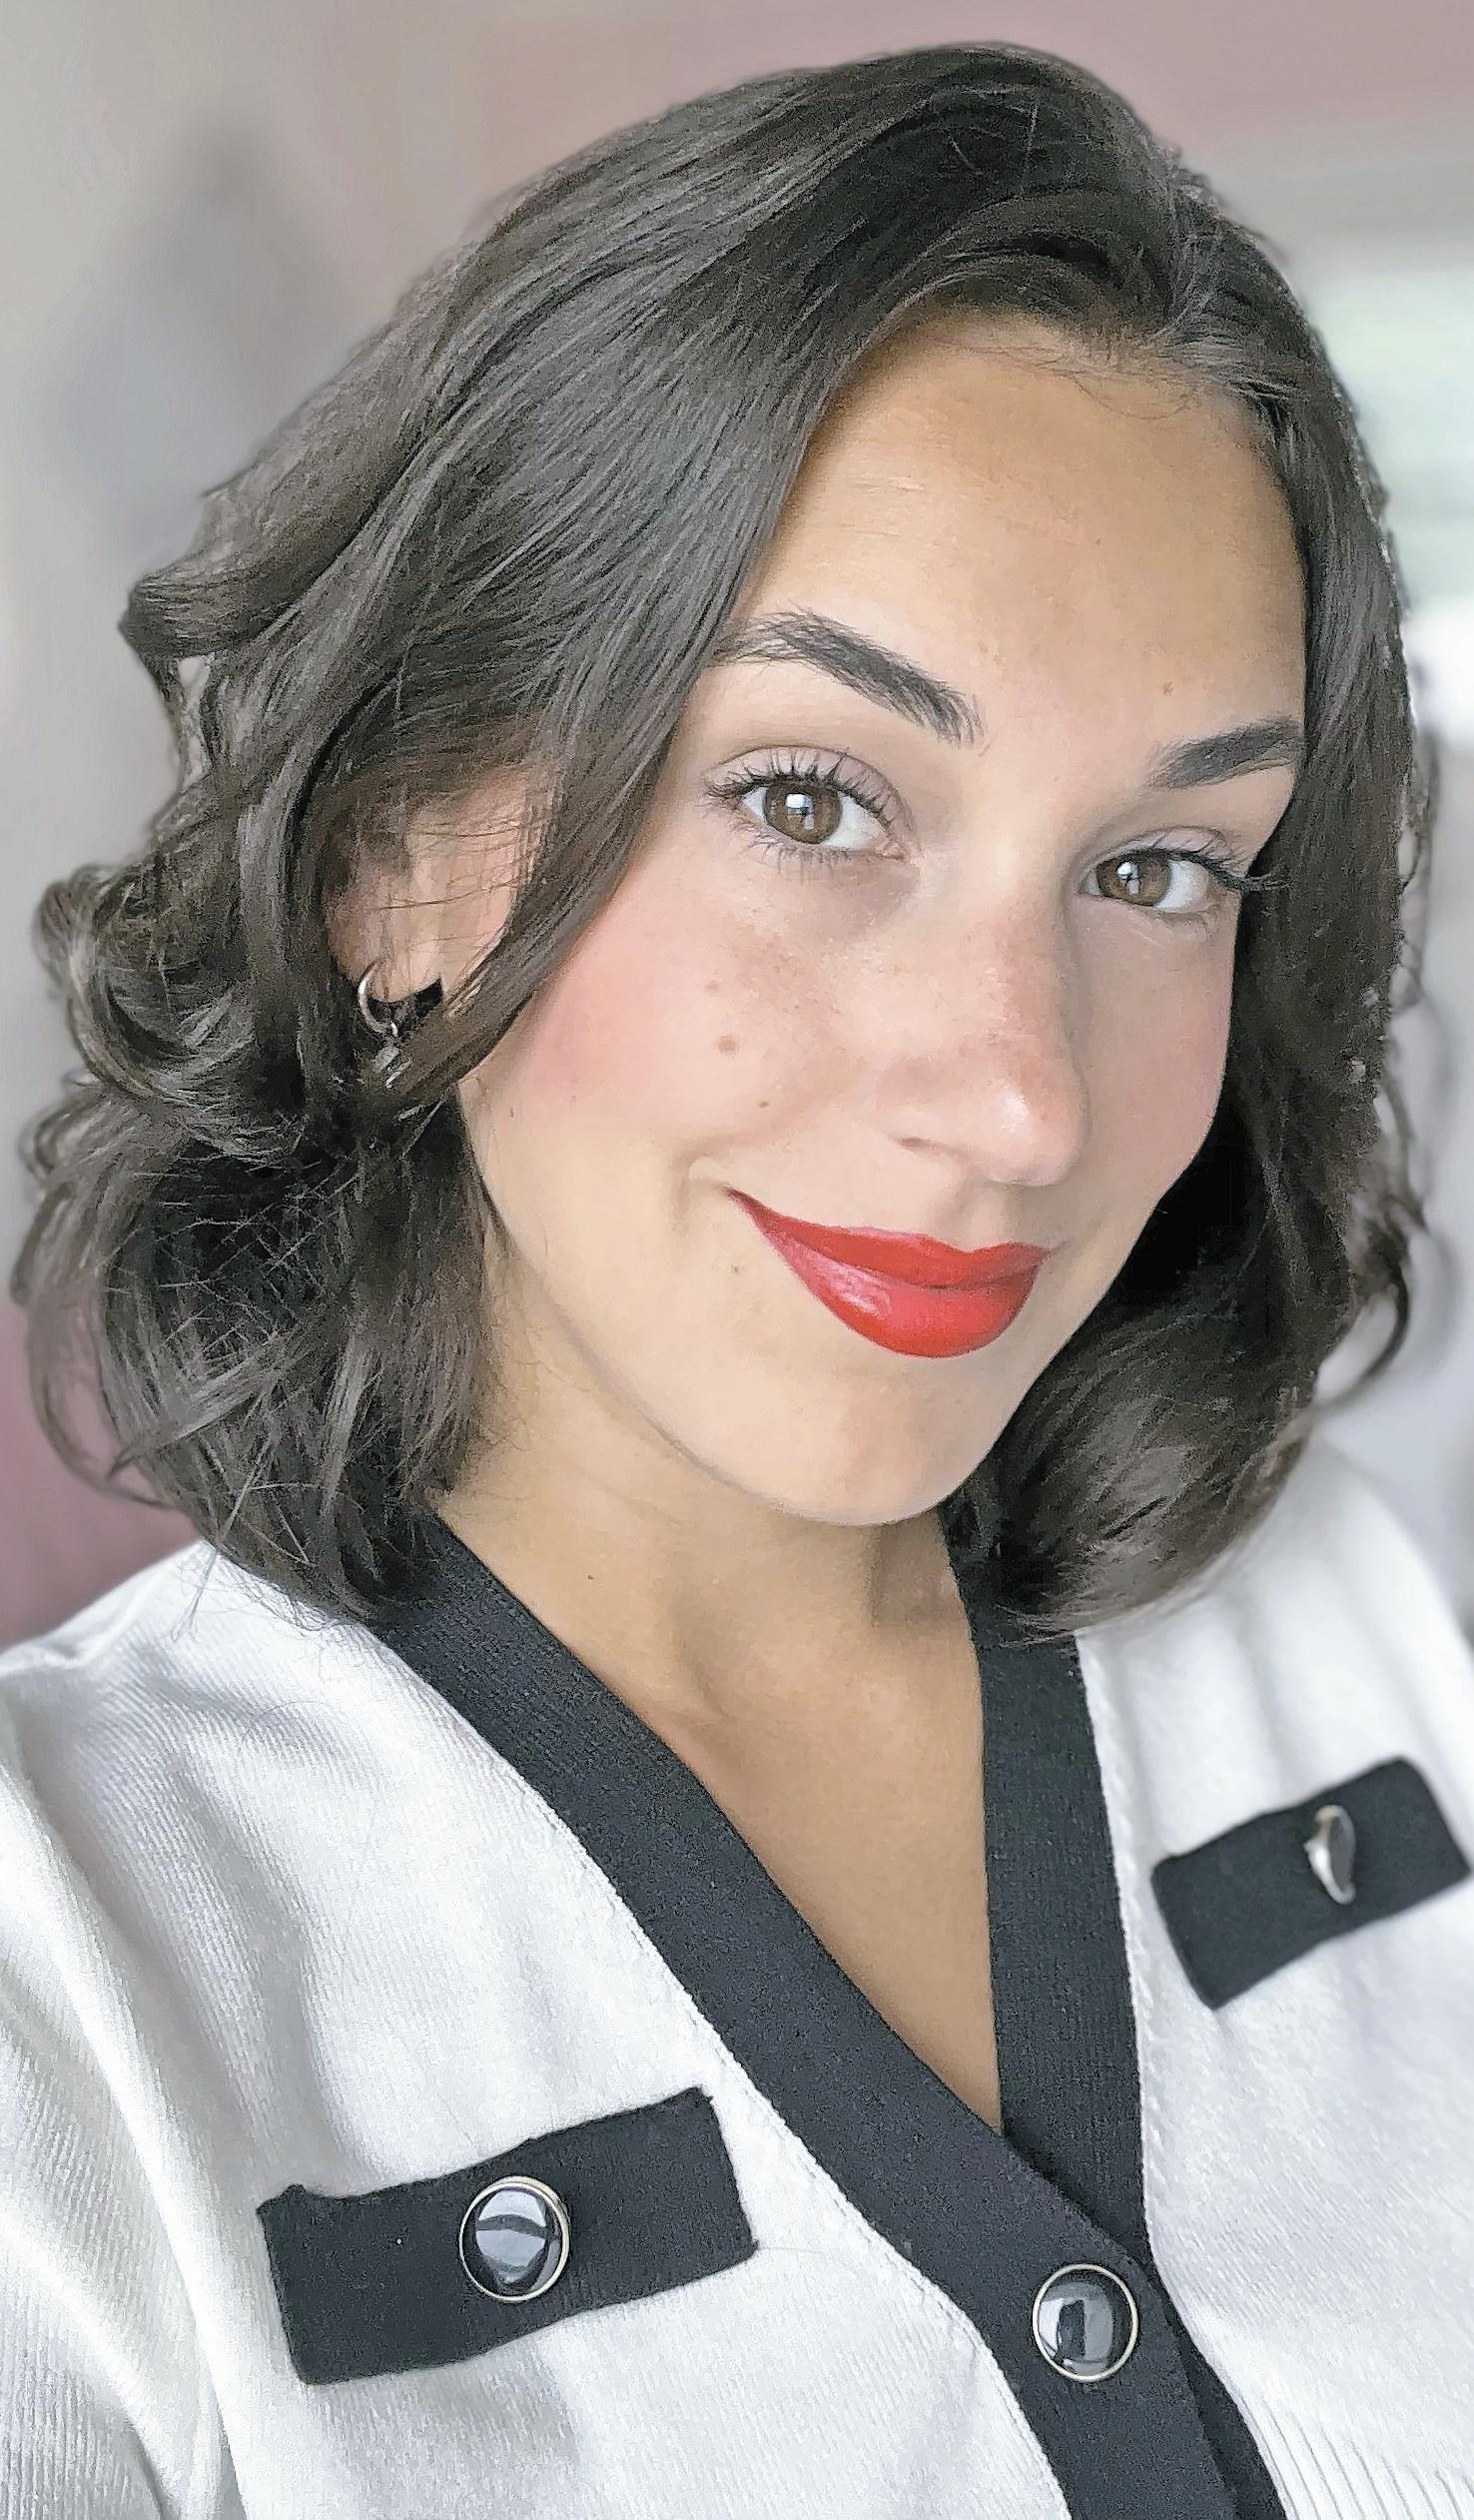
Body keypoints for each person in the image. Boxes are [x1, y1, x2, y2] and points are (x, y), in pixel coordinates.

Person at [2, 38, 1469, 2520]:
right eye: (811, 798)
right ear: (392, 858)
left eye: (1158, 869)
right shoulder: (71, 1973)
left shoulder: (1360, 1631)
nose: (1021, 1101)